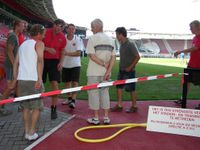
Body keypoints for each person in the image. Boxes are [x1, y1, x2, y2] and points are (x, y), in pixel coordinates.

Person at [11, 24, 45, 141]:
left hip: (22, 80)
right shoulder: (39, 43)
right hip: (33, 79)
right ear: (39, 33)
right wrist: (40, 78)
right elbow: (40, 60)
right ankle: (32, 132)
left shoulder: (23, 44)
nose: (44, 35)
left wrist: (15, 79)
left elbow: (15, 63)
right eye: (43, 33)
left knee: (25, 107)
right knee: (36, 108)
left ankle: (27, 131)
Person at [86, 19, 116, 125]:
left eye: (92, 27)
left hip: (93, 71)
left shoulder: (92, 38)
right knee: (105, 93)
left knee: (93, 93)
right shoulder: (111, 40)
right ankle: (106, 117)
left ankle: (96, 118)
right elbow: (113, 58)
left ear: (97, 27)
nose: (91, 29)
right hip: (106, 73)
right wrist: (108, 71)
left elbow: (92, 56)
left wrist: (103, 64)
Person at [111, 27, 140, 113]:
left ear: (121, 34)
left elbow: (137, 57)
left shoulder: (130, 43)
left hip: (129, 71)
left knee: (131, 89)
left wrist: (130, 67)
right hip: (121, 70)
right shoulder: (122, 44)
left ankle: (134, 106)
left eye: (117, 34)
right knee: (118, 87)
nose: (116, 36)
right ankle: (119, 105)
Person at [43, 19, 66, 119]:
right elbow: (36, 44)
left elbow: (63, 51)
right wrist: (47, 49)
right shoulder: (45, 32)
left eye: (61, 27)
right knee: (38, 84)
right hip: (42, 60)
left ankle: (54, 108)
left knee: (55, 85)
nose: (59, 28)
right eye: (58, 26)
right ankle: (35, 106)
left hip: (54, 62)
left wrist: (61, 62)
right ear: (54, 25)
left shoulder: (62, 37)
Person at [174, 20, 200, 109]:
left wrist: (181, 51)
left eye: (191, 27)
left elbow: (196, 48)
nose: (190, 29)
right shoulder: (195, 38)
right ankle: (182, 99)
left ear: (197, 27)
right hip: (192, 64)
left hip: (198, 66)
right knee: (185, 82)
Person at [0, 20, 24, 116]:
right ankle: (1, 107)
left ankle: (21, 105)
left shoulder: (14, 36)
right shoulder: (13, 36)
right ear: (17, 26)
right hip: (10, 66)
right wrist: (15, 65)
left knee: (16, 84)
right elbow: (9, 51)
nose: (24, 28)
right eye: (22, 26)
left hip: (11, 65)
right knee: (10, 87)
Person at [61, 24, 84, 109]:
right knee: (67, 83)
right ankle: (69, 98)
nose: (71, 30)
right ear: (67, 29)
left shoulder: (78, 39)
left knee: (75, 82)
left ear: (75, 30)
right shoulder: (63, 39)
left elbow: (78, 53)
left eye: (73, 29)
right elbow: (61, 51)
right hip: (65, 64)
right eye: (70, 29)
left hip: (75, 65)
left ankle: (73, 101)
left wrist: (67, 53)